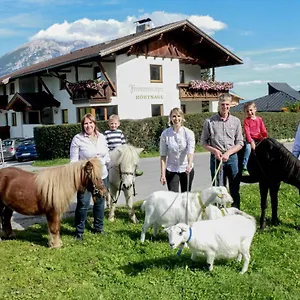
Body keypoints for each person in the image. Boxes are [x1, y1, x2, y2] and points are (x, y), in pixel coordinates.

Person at [70, 113, 110, 241]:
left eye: (90, 123)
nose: (88, 126)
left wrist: (104, 162)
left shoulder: (102, 137)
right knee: (83, 203)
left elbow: (107, 155)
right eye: (85, 123)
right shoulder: (78, 139)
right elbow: (73, 161)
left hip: (101, 175)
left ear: (95, 124)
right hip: (85, 178)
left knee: (100, 201)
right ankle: (79, 231)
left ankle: (99, 228)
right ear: (82, 126)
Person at [200, 93, 244, 209]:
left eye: (227, 105)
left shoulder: (236, 121)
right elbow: (203, 142)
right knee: (218, 188)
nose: (225, 107)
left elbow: (240, 143)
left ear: (231, 105)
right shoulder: (209, 122)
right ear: (218, 105)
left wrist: (228, 153)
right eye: (222, 104)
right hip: (216, 158)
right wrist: (214, 151)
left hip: (232, 158)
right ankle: (219, 212)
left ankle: (235, 210)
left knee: (234, 187)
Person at [160, 107, 195, 192]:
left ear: (182, 118)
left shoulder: (188, 133)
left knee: (185, 197)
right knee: (173, 197)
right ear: (171, 118)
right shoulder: (165, 134)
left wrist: (189, 164)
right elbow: (163, 156)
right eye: (174, 116)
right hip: (172, 169)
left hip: (186, 169)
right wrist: (162, 174)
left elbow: (190, 151)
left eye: (179, 116)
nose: (176, 119)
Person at [242, 101, 268, 175]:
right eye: (247, 111)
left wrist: (265, 137)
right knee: (248, 149)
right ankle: (244, 166)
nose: (249, 112)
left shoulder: (259, 119)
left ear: (255, 109)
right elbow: (247, 132)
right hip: (251, 138)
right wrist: (251, 142)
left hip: (259, 138)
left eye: (251, 110)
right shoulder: (246, 121)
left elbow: (263, 129)